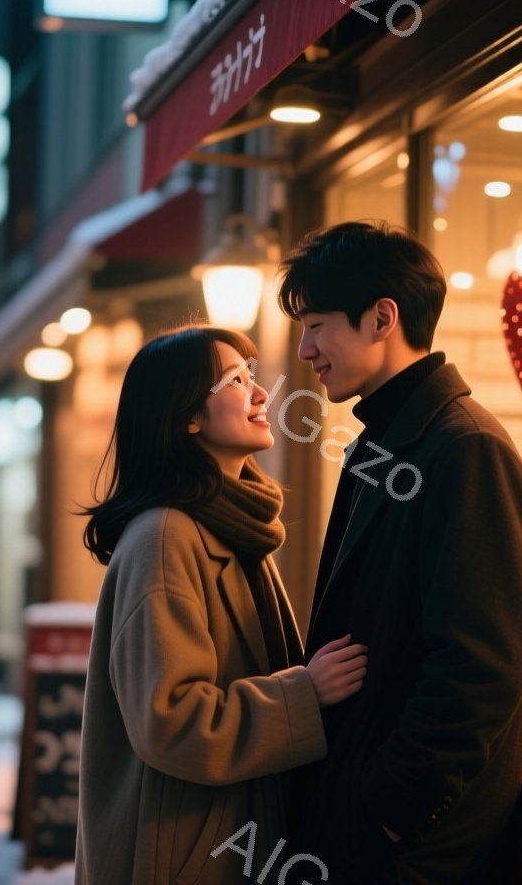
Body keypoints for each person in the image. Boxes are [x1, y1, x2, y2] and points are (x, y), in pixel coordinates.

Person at [279, 221, 522, 884]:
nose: (305, 348)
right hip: (368, 830)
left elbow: (480, 668)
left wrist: (388, 811)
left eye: (315, 325)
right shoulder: (383, 442)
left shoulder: (463, 447)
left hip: (417, 850)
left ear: (382, 318)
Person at [74, 325, 368, 885]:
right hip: (185, 854)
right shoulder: (166, 536)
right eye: (236, 381)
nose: (262, 396)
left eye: (253, 377)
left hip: (232, 845)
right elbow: (172, 721)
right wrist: (305, 692)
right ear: (187, 416)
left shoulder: (231, 528)